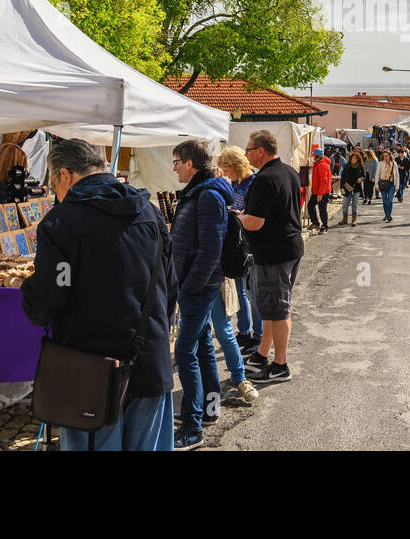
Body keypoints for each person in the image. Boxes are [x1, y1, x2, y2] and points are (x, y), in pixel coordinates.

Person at [21, 139, 175, 451]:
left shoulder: (61, 222)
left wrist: (28, 291)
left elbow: (49, 299)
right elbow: (170, 286)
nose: (55, 193)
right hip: (149, 360)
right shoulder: (149, 212)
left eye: (54, 184)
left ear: (65, 175)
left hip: (89, 372)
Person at [169, 139, 256, 449]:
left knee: (184, 351)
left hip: (199, 285)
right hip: (198, 284)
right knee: (203, 344)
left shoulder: (206, 195)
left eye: (176, 161)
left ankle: (192, 427)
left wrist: (190, 284)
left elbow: (210, 249)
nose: (175, 167)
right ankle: (209, 409)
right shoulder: (203, 192)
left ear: (190, 163)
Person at [238, 129, 304, 383]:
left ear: (261, 151)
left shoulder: (264, 179)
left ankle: (280, 365)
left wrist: (239, 217)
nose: (247, 154)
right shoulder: (288, 171)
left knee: (278, 311)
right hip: (289, 246)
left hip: (274, 253)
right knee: (272, 308)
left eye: (249, 150)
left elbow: (254, 222)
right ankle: (263, 354)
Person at [216, 145, 263, 362]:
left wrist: (239, 213)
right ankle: (244, 331)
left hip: (250, 243)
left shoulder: (254, 183)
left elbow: (256, 213)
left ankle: (258, 336)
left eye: (226, 169)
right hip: (236, 242)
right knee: (241, 290)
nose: (225, 174)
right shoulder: (235, 183)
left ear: (235, 165)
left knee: (252, 293)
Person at [308, 147, 332, 233]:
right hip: (317, 191)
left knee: (322, 209)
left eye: (314, 155)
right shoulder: (319, 163)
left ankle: (324, 226)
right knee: (310, 206)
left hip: (322, 192)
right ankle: (316, 223)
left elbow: (323, 181)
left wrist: (320, 194)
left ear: (317, 156)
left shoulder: (322, 165)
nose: (313, 157)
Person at [340, 150, 364, 227]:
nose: (354, 159)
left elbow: (364, 176)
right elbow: (342, 177)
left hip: (356, 188)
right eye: (353, 158)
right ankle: (344, 219)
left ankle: (354, 220)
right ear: (350, 158)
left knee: (355, 205)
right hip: (347, 188)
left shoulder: (360, 167)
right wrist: (341, 188)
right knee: (345, 204)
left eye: (355, 158)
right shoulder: (346, 166)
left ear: (358, 159)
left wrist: (361, 179)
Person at [377, 149, 398, 222]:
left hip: (391, 183)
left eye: (386, 156)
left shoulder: (394, 163)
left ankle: (389, 215)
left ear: (389, 156)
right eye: (384, 156)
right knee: (384, 201)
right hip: (383, 183)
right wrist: (376, 185)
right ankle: (386, 214)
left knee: (390, 200)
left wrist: (397, 187)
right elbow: (377, 175)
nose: (385, 157)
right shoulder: (380, 163)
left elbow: (397, 176)